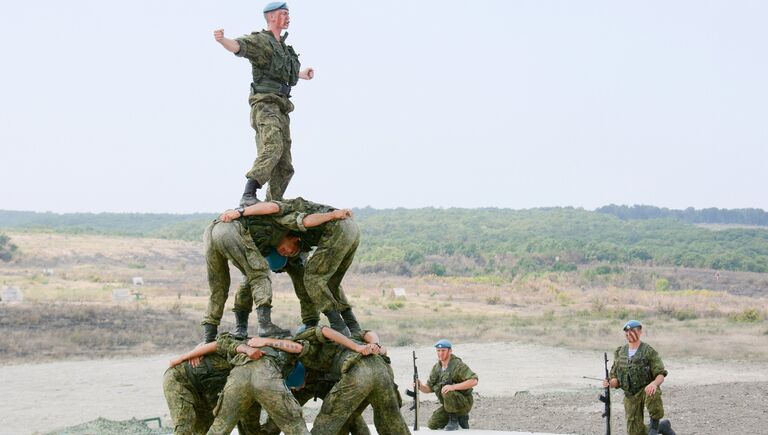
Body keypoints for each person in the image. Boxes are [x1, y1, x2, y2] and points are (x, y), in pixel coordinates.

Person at [201, 202, 351, 343]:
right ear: (293, 236)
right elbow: (272, 206)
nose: (288, 252)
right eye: (291, 249)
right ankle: (264, 325)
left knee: (220, 286)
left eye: (292, 254)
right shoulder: (280, 220)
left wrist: (310, 321)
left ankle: (209, 335)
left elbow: (303, 285)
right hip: (228, 226)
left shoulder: (290, 256)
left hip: (212, 229)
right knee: (259, 274)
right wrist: (239, 212)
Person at [213, 2, 315, 205]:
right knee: (273, 147)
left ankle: (274, 201)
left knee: (285, 163)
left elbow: (286, 73)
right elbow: (240, 46)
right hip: (265, 104)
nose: (287, 17)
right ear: (271, 17)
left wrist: (302, 75)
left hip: (282, 106)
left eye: (288, 14)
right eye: (283, 14)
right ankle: (248, 194)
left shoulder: (284, 49)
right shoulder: (262, 41)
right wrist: (222, 39)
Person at [246, 326, 411, 435]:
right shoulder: (340, 339)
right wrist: (375, 345)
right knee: (391, 422)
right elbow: (367, 333)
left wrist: (266, 341)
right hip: (382, 371)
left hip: (357, 372)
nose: (296, 389)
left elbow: (302, 344)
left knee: (327, 424)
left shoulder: (311, 344)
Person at [169, 333, 310, 435]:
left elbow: (249, 419)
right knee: (184, 428)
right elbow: (219, 343)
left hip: (216, 386)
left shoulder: (257, 371)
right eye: (295, 386)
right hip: (183, 380)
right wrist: (185, 356)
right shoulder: (246, 347)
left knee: (217, 428)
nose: (298, 388)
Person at [163, 348, 263, 434]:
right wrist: (189, 355)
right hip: (181, 379)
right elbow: (216, 342)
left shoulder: (256, 382)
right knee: (184, 425)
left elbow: (250, 426)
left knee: (206, 430)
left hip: (207, 390)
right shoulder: (241, 348)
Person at [602, 320, 676, 435]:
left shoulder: (648, 351)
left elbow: (660, 374)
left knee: (652, 392)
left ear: (640, 331)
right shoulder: (620, 352)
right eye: (627, 331)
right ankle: (663, 427)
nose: (629, 334)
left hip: (645, 390)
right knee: (635, 432)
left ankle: (655, 425)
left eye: (632, 331)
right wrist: (610, 383)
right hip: (630, 395)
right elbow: (615, 378)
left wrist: (654, 384)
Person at [416, 339, 478, 431]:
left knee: (447, 390)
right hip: (449, 406)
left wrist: (453, 387)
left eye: (443, 350)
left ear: (450, 351)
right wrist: (420, 386)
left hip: (463, 403)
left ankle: (454, 421)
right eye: (438, 351)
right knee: (432, 424)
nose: (440, 353)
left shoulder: (458, 365)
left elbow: (474, 381)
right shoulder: (437, 368)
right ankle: (461, 418)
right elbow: (429, 388)